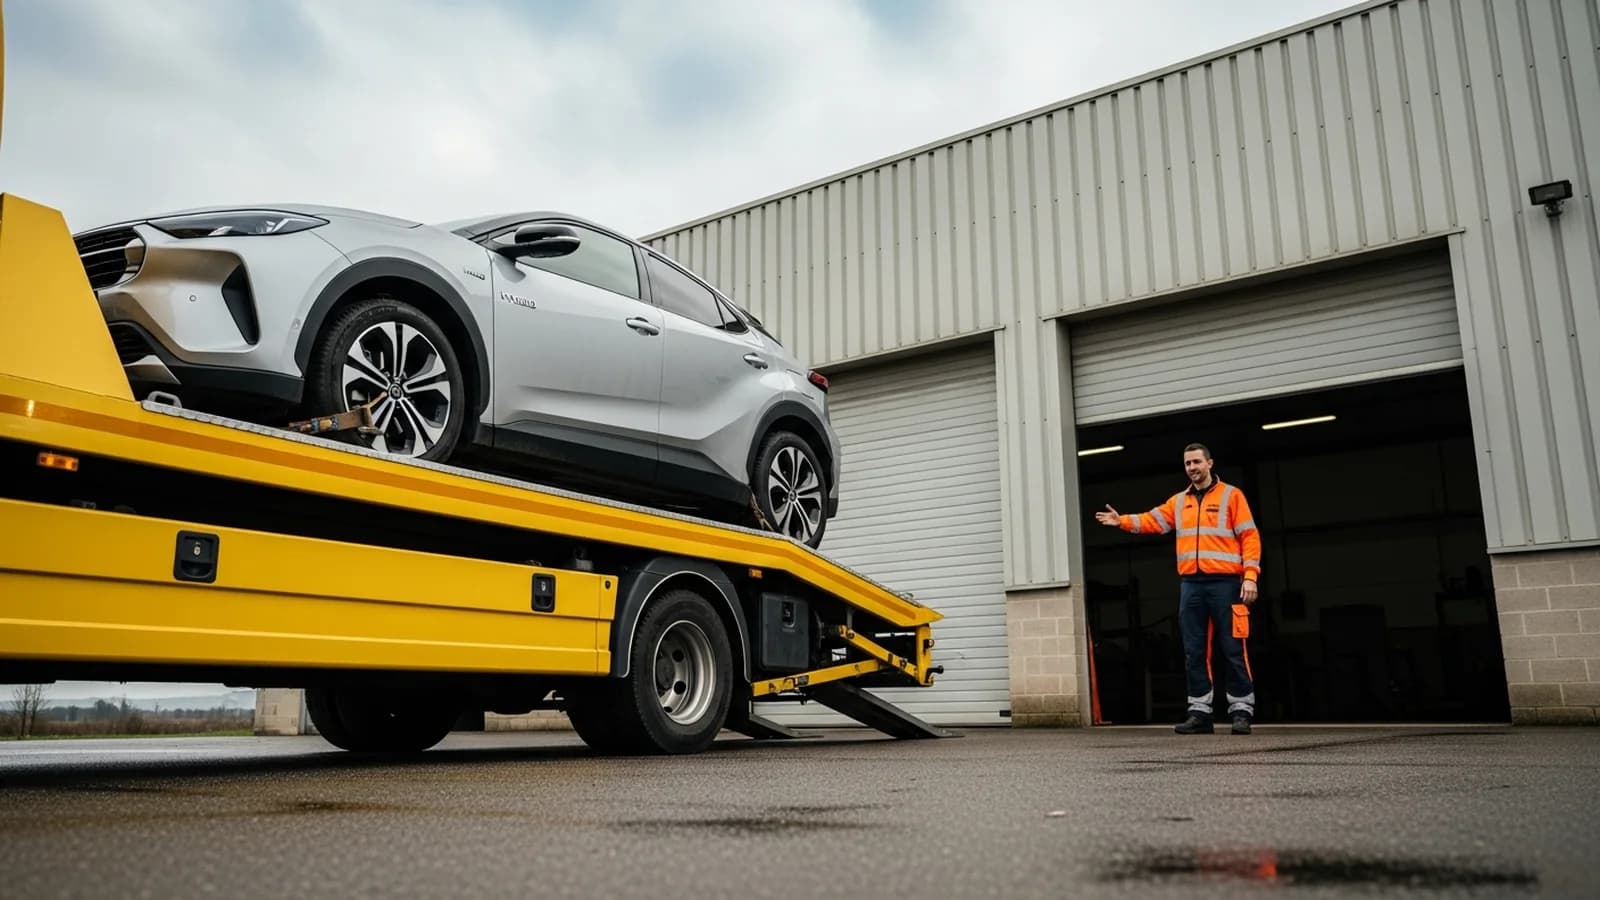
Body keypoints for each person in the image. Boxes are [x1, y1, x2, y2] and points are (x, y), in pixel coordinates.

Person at [1094, 442, 1262, 735]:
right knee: (1194, 651)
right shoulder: (1179, 502)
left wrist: (1250, 576)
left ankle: (1241, 711)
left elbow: (1249, 536)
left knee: (1233, 648)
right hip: (1192, 585)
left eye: (1196, 462)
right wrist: (1122, 521)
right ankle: (1200, 713)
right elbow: (1152, 520)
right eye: (1187, 463)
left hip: (1226, 584)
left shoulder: (1232, 496)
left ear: (1210, 463)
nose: (1192, 467)